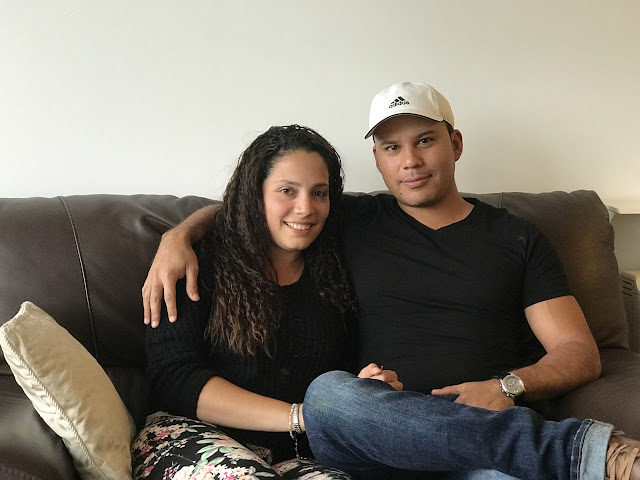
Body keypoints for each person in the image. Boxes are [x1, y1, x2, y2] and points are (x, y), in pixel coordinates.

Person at [140, 83, 640, 480]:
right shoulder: (352, 219)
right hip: (365, 440)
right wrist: (178, 236)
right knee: (332, 393)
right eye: (391, 147)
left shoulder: (517, 238)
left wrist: (507, 386)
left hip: (482, 437)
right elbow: (256, 209)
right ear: (376, 159)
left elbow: (580, 353)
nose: (410, 161)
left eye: (425, 140)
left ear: (455, 144)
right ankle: (589, 453)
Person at [132, 124, 403, 480]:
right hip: (189, 437)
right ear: (254, 194)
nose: (305, 208)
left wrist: (363, 387)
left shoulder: (336, 269)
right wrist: (300, 416)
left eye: (319, 193)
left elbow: (343, 369)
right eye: (287, 190)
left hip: (296, 454)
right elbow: (175, 379)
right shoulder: (197, 263)